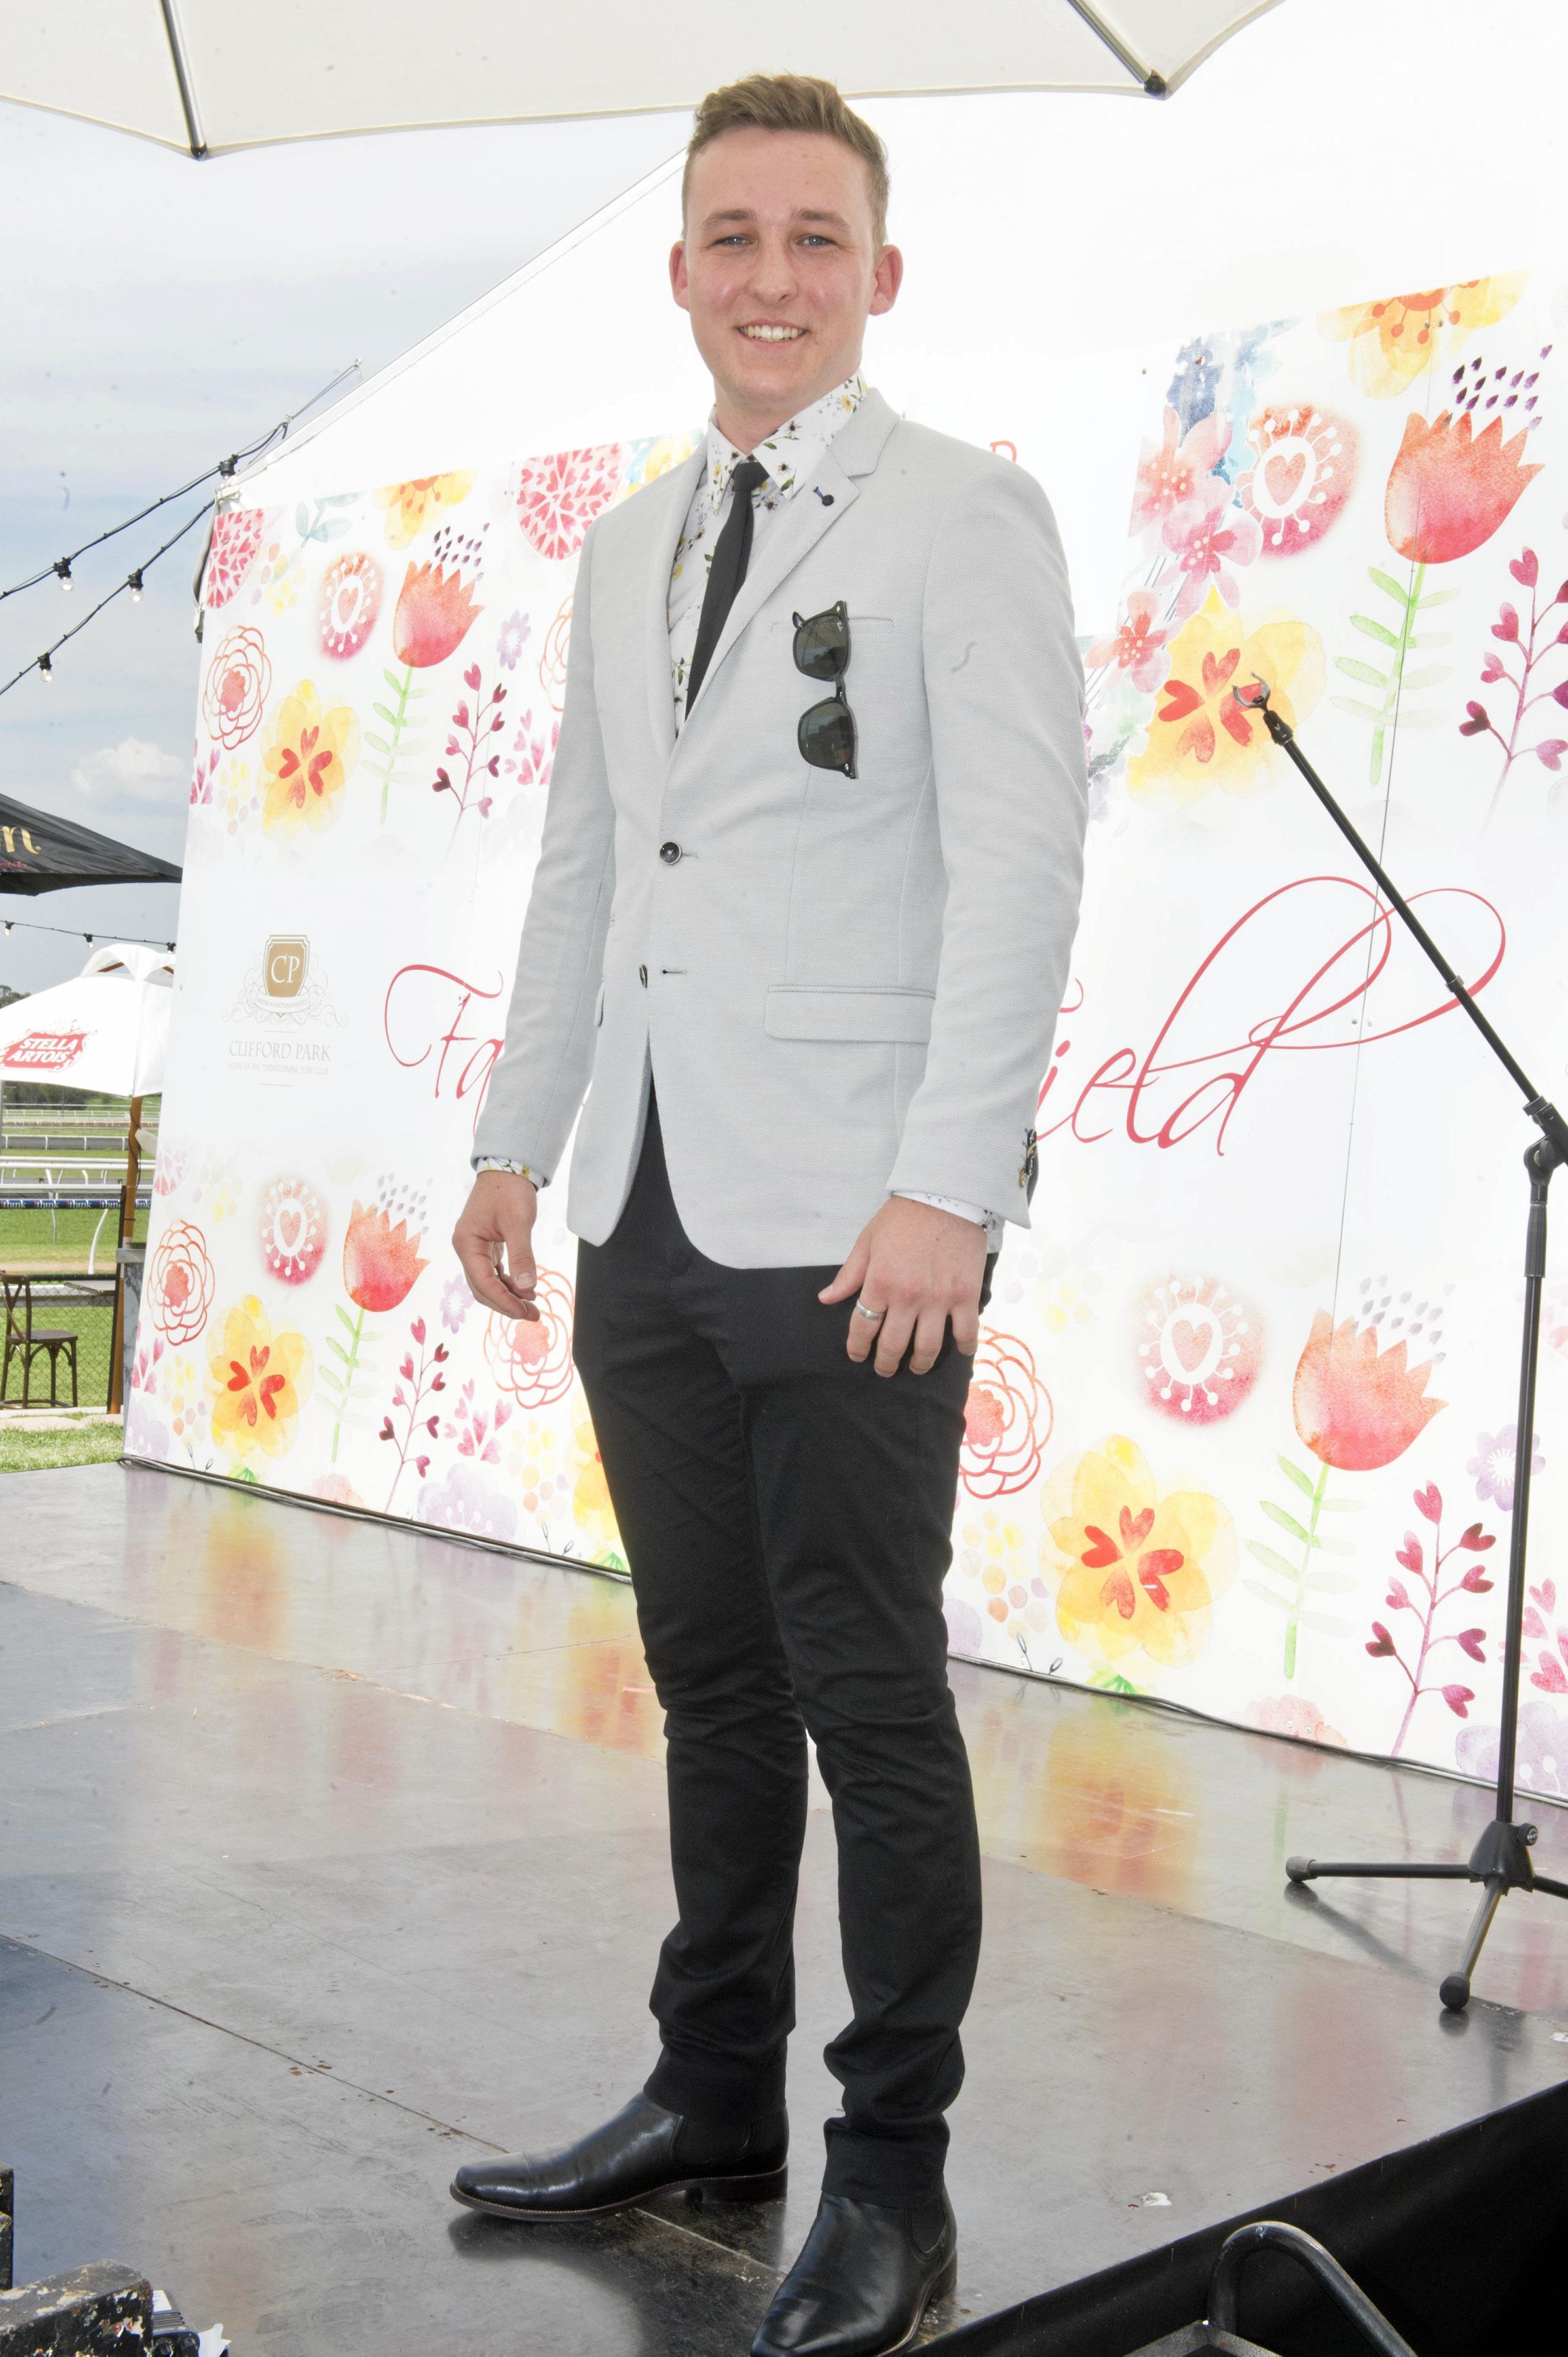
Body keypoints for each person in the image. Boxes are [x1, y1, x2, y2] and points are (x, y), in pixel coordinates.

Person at [449, 72, 1086, 2357]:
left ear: (879, 273)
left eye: (814, 238)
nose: (771, 278)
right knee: (710, 1687)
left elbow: (1020, 864)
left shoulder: (965, 516)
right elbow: (588, 867)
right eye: (731, 237)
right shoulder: (626, 545)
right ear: (682, 273)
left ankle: (886, 2180)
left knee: (865, 1694)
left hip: (855, 1227)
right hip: (637, 1196)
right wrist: (521, 1140)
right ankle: (712, 2102)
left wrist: (951, 1183)